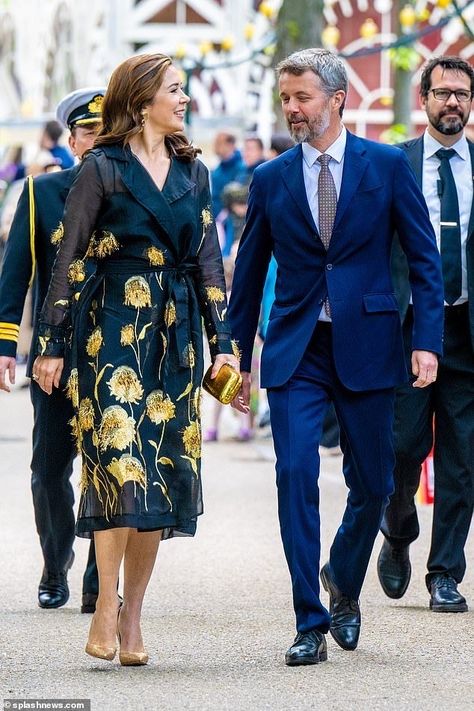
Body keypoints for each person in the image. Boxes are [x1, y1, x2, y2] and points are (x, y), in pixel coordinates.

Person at [228, 48, 444, 666]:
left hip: (371, 344)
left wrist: (426, 341)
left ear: (337, 98)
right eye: (286, 99)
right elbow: (248, 277)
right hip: (297, 347)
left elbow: (424, 261)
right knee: (294, 474)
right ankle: (309, 620)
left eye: (303, 98)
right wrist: (234, 357)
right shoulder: (271, 178)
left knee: (373, 483)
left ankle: (343, 584)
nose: (292, 110)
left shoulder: (386, 166)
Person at [32, 53, 239, 666]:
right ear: (144, 98)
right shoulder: (102, 166)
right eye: (175, 91)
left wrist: (222, 344)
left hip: (174, 339)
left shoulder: (193, 171)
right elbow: (70, 259)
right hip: (112, 331)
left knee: (163, 474)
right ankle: (101, 605)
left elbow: (206, 263)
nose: (184, 101)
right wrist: (49, 346)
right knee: (118, 467)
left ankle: (133, 616)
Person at [0, 87, 105, 612]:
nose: (98, 141)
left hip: (113, 352)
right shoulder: (43, 192)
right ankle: (55, 558)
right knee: (48, 468)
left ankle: (97, 574)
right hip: (53, 353)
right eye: (89, 132)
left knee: (110, 466)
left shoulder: (131, 191)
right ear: (72, 139)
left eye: (108, 131)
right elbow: (15, 271)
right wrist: (5, 346)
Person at [377, 56, 474, 613]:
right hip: (408, 328)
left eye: (462, 94)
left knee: (462, 457)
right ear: (424, 99)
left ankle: (445, 573)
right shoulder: (396, 164)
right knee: (401, 448)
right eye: (443, 93)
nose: (453, 103)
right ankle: (397, 528)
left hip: (465, 331)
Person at [210, 131, 245, 216]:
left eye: (219, 143)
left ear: (230, 145)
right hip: (217, 218)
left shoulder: (242, 167)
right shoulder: (216, 171)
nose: (216, 147)